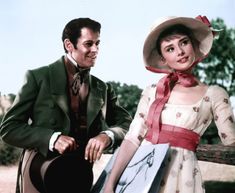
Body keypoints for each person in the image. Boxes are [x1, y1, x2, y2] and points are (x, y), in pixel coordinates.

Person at [103, 15, 235, 193]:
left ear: (194, 45)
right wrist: (110, 184)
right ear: (163, 59)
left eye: (184, 42)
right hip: (144, 170)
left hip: (183, 176)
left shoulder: (215, 94)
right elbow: (133, 138)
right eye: (170, 48)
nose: (180, 51)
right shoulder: (152, 91)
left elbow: (231, 140)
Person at [0, 18, 132, 193]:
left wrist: (107, 135)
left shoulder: (103, 88)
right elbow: (9, 129)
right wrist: (51, 138)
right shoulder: (38, 77)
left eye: (98, 43)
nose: (95, 50)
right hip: (39, 173)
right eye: (89, 44)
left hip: (79, 178)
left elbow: (128, 125)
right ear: (69, 45)